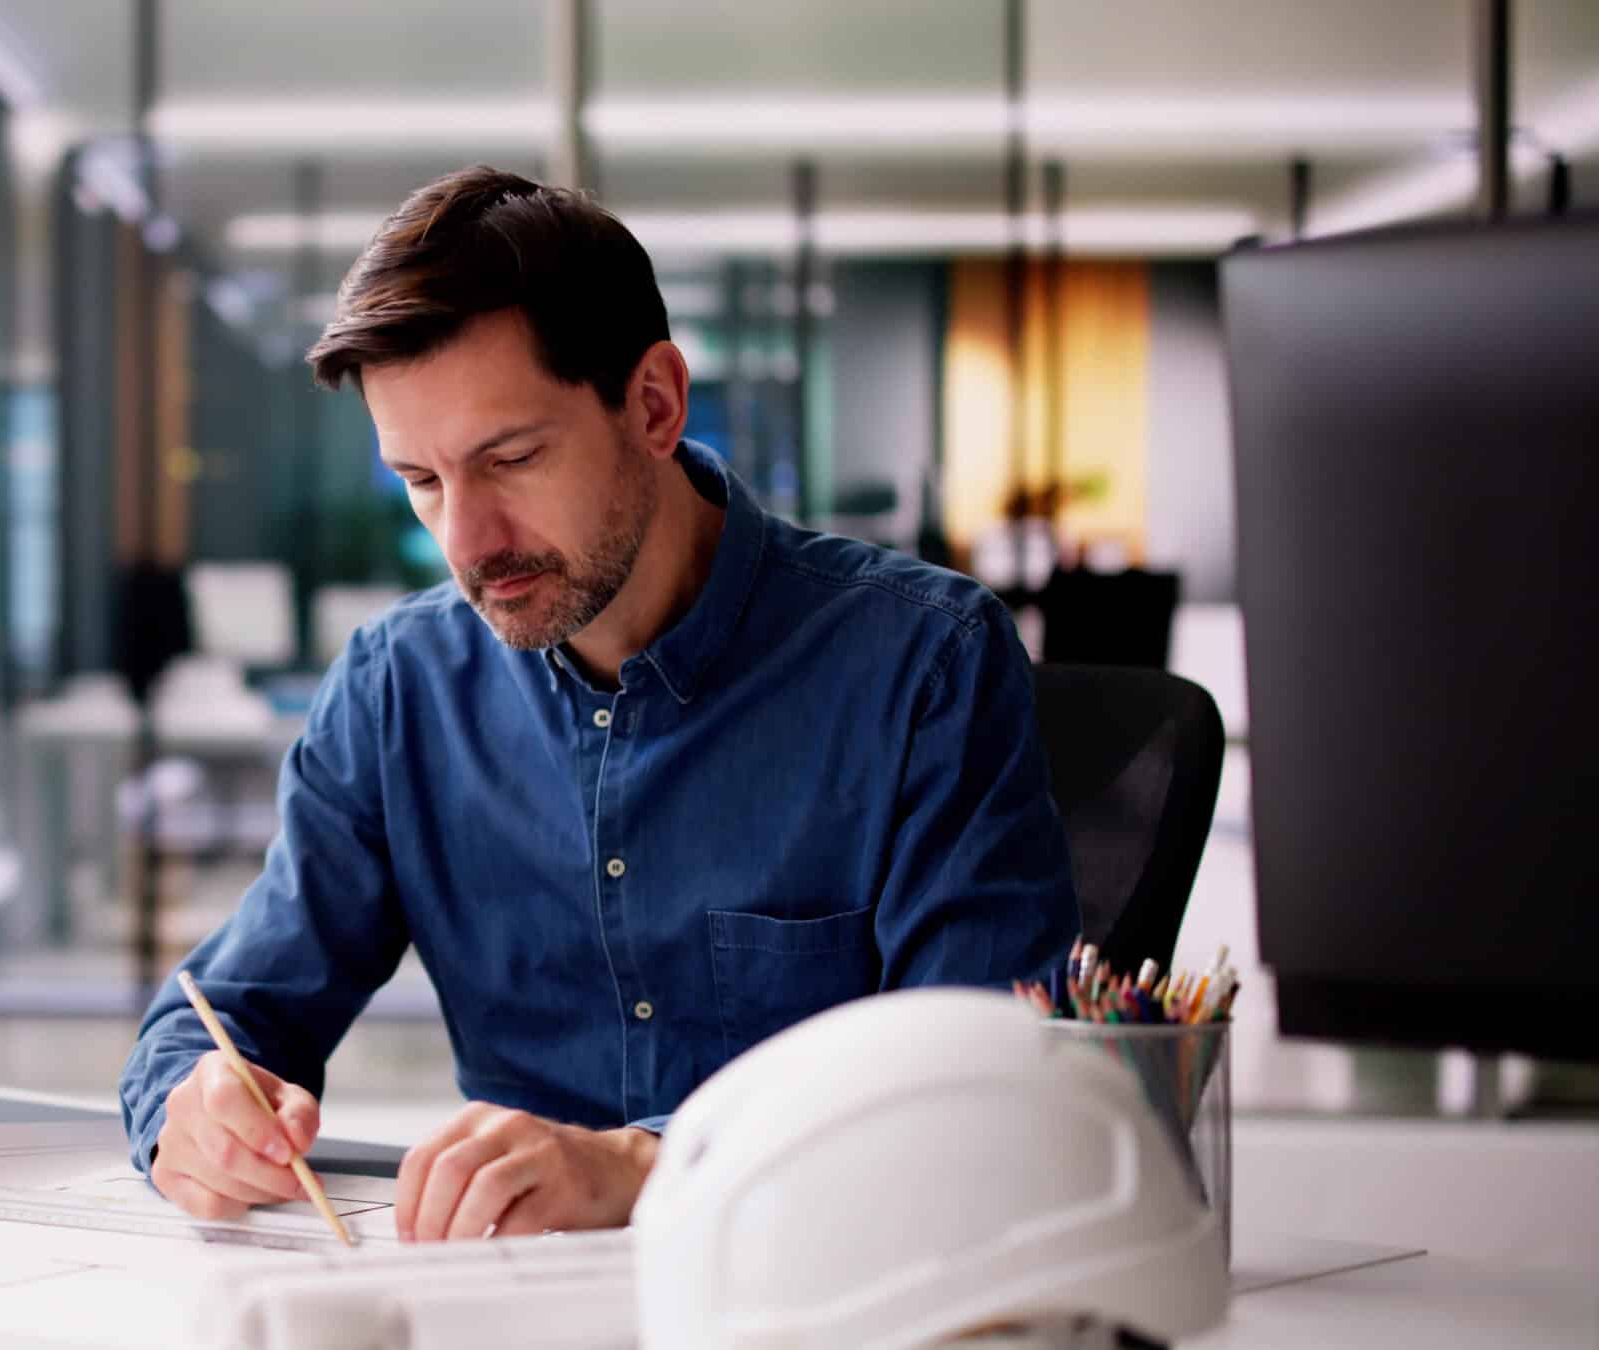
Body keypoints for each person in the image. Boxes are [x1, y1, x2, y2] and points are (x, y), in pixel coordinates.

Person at [119, 165, 1078, 1243]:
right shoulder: (398, 690)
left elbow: (979, 1090)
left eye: (511, 457)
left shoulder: (922, 664)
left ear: (654, 405)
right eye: (423, 484)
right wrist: (197, 1110)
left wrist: (651, 1164)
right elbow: (223, 1012)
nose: (467, 543)